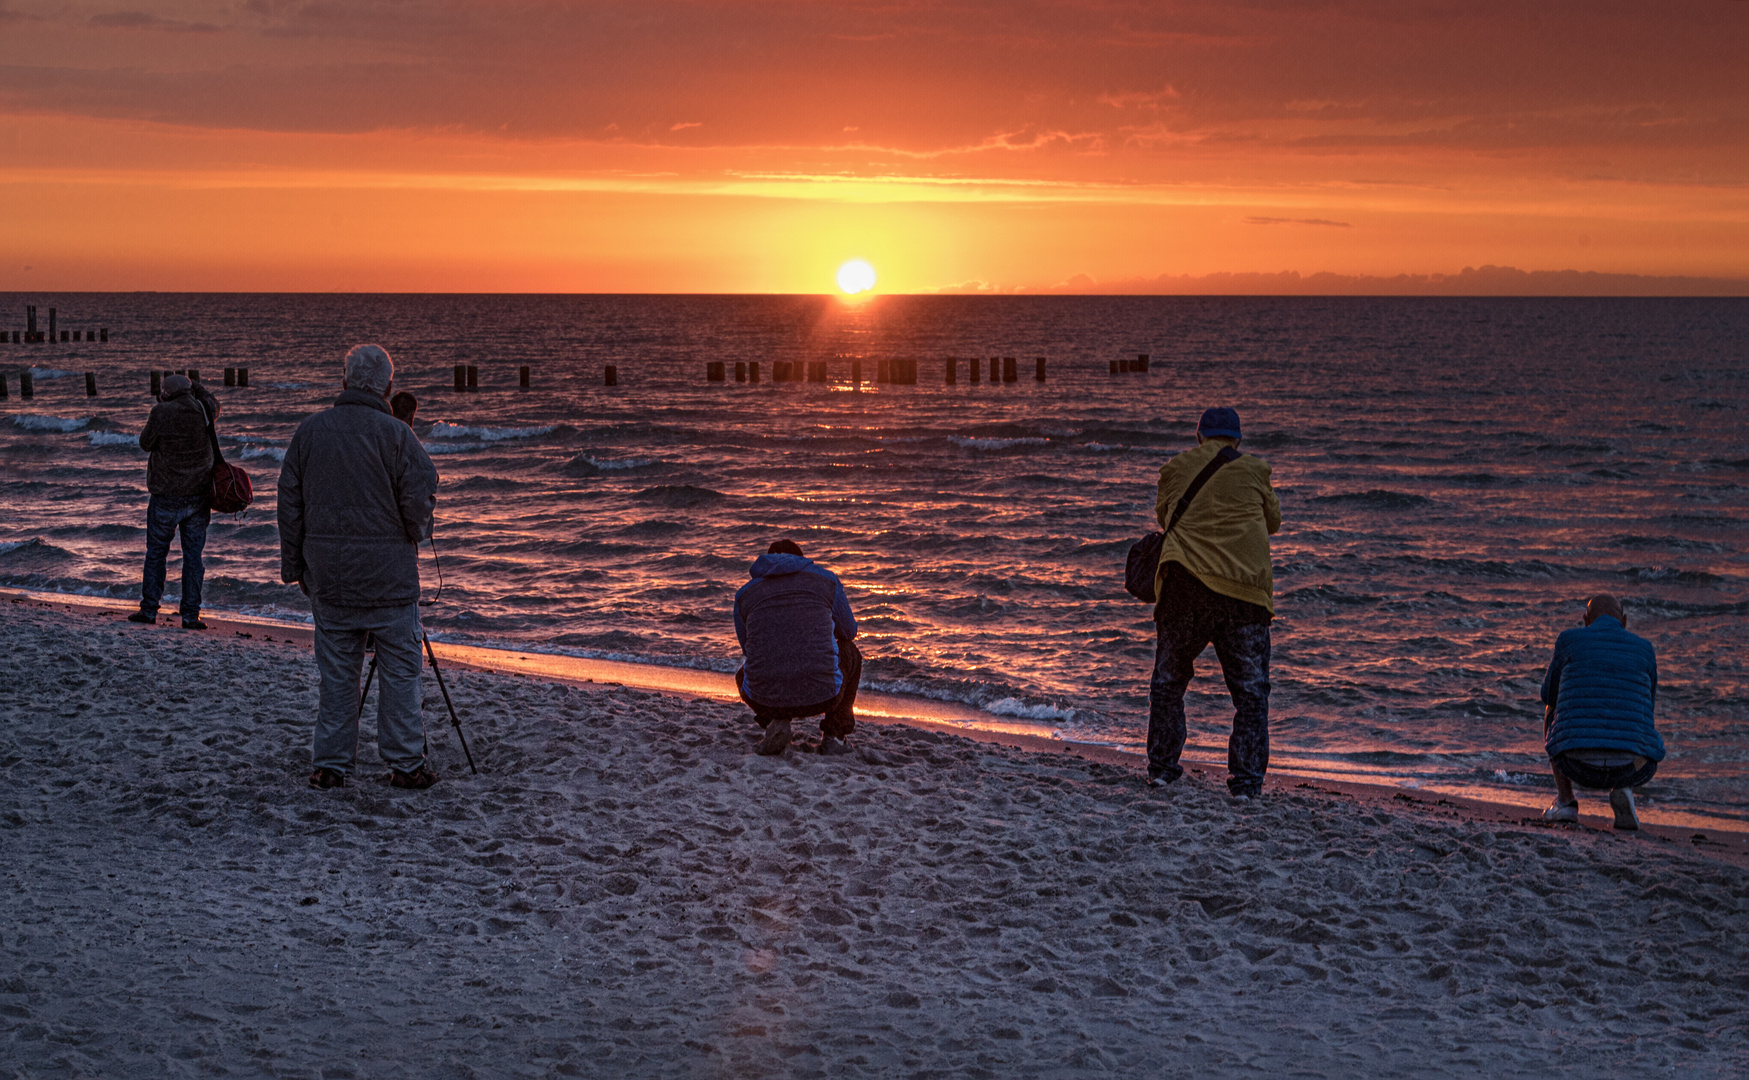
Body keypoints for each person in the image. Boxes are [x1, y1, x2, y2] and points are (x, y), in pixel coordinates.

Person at [279, 344, 440, 791]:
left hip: (329, 577)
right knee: (402, 676)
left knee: (337, 677)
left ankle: (331, 765)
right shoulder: (397, 435)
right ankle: (407, 765)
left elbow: (289, 503)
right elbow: (421, 495)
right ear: (388, 387)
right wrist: (418, 528)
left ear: (344, 382)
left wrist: (295, 567)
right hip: (390, 580)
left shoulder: (310, 432)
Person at [1146, 406, 1282, 799]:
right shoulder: (1256, 470)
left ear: (1200, 436)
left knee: (1168, 686)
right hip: (1242, 598)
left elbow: (1164, 515)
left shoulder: (1175, 469)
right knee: (1251, 696)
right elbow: (1273, 521)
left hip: (1183, 590)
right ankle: (1245, 784)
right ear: (1237, 439)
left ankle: (1162, 771)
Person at [1540, 594, 1663, 830]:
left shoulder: (1568, 640)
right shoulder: (1645, 649)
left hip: (1574, 763)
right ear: (1624, 621)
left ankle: (1566, 802)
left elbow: (1548, 695)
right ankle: (1623, 789)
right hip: (1633, 768)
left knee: (1551, 709)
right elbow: (1649, 708)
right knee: (1637, 717)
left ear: (1586, 620)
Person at [734, 539, 861, 756]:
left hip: (767, 699)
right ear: (802, 561)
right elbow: (848, 632)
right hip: (823, 695)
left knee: (744, 672)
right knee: (850, 652)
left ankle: (774, 721)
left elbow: (748, 648)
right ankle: (834, 735)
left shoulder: (745, 594)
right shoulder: (826, 581)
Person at [128, 373, 222, 630]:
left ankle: (149, 610)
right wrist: (199, 387)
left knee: (156, 554)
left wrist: (162, 403)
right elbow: (215, 402)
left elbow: (144, 443)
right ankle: (191, 615)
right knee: (193, 556)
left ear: (167, 393)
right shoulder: (203, 409)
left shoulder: (161, 412)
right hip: (198, 496)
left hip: (165, 496)